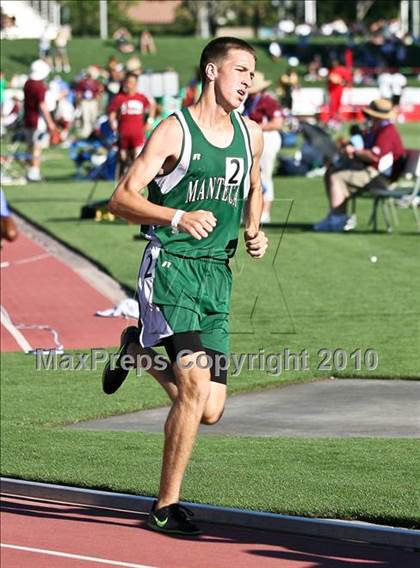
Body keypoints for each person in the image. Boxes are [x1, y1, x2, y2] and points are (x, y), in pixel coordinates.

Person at [103, 37, 268, 535]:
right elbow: (121, 198)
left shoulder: (252, 135)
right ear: (212, 71)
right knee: (194, 388)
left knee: (211, 409)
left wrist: (254, 229)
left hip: (217, 275)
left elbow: (255, 188)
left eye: (252, 73)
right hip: (171, 267)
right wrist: (175, 215)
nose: (248, 81)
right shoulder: (175, 132)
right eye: (241, 70)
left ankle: (136, 350)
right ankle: (164, 507)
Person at [314, 98, 405, 232]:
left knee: (337, 177)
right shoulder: (376, 129)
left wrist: (355, 152)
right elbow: (363, 148)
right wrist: (348, 147)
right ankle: (335, 215)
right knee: (332, 171)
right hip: (371, 172)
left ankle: (338, 219)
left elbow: (373, 156)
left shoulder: (387, 132)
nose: (367, 117)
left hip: (380, 178)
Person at [243, 71, 283, 223]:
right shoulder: (249, 101)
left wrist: (257, 126)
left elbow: (277, 123)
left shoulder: (268, 101)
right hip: (253, 138)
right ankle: (252, 211)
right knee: (253, 175)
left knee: (265, 174)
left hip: (267, 137)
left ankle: (265, 211)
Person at [108, 72, 155, 175]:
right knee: (123, 158)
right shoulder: (120, 98)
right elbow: (112, 113)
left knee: (138, 159)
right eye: (128, 82)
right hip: (123, 134)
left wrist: (150, 121)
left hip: (138, 133)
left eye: (133, 83)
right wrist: (113, 123)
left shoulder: (141, 97)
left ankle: (137, 186)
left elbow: (152, 107)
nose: (130, 85)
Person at [23, 60, 57, 182]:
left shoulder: (27, 83)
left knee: (30, 146)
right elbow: (42, 105)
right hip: (37, 120)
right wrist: (51, 122)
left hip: (27, 118)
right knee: (37, 146)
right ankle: (34, 171)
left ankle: (29, 169)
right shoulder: (39, 86)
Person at [75, 69, 103, 138]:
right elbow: (79, 93)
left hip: (93, 101)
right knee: (86, 117)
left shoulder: (95, 83)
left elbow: (98, 94)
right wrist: (78, 102)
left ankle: (94, 131)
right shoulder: (82, 83)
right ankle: (86, 132)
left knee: (93, 117)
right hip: (85, 101)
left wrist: (98, 103)